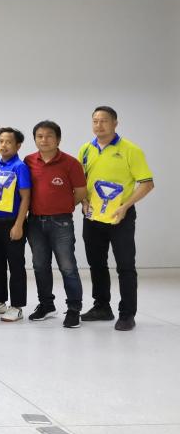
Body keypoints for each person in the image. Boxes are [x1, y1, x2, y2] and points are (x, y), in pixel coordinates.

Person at [79, 106, 154, 331]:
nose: (99, 125)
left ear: (115, 123)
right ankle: (102, 307)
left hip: (121, 216)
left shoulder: (131, 150)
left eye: (104, 121)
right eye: (95, 121)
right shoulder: (85, 149)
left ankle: (127, 314)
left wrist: (125, 207)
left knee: (125, 266)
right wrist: (83, 201)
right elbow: (80, 182)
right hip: (93, 217)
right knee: (96, 264)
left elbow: (147, 183)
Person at [24, 120, 86, 328]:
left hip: (61, 223)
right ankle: (46, 305)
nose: (44, 140)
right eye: (40, 136)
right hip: (34, 222)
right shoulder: (28, 161)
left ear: (58, 139)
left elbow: (80, 192)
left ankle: (74, 309)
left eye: (49, 136)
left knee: (67, 267)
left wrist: (63, 206)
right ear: (35, 139)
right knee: (40, 266)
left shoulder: (71, 163)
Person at [0, 127, 31, 322]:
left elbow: (26, 198)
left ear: (18, 145)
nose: (4, 145)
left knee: (16, 265)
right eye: (1, 141)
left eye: (9, 142)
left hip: (13, 221)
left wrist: (19, 224)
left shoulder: (20, 167)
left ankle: (17, 306)